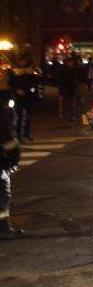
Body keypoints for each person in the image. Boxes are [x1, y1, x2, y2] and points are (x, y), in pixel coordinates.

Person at [1, 79, 23, 239]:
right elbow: (8, 138)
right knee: (3, 195)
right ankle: (4, 228)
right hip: (1, 162)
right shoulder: (5, 111)